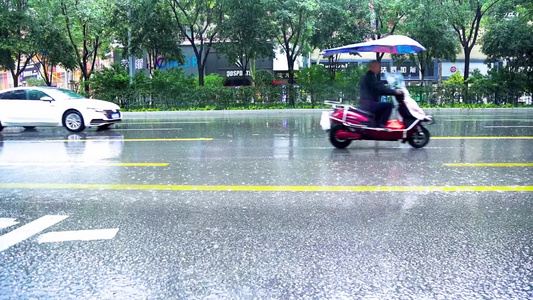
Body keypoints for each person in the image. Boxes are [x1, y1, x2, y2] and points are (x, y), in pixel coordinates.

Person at [359, 60, 403, 128]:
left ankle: (377, 123)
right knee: (389, 105)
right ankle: (381, 125)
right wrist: (395, 92)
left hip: (369, 103)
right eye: (378, 67)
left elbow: (380, 87)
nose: (379, 69)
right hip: (369, 104)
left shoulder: (372, 76)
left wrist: (392, 90)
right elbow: (380, 89)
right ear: (373, 67)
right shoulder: (369, 78)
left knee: (383, 105)